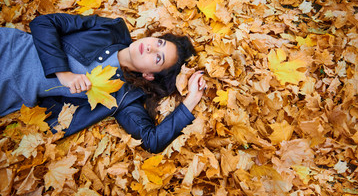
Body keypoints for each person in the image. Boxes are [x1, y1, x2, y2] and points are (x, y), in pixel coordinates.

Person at [0, 13, 206, 153]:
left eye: (158, 58)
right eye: (160, 42)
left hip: (8, 94)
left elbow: (151, 140)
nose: (152, 48)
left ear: (149, 75)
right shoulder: (109, 29)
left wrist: (191, 101)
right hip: (8, 48)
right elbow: (43, 23)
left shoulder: (123, 95)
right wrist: (62, 73)